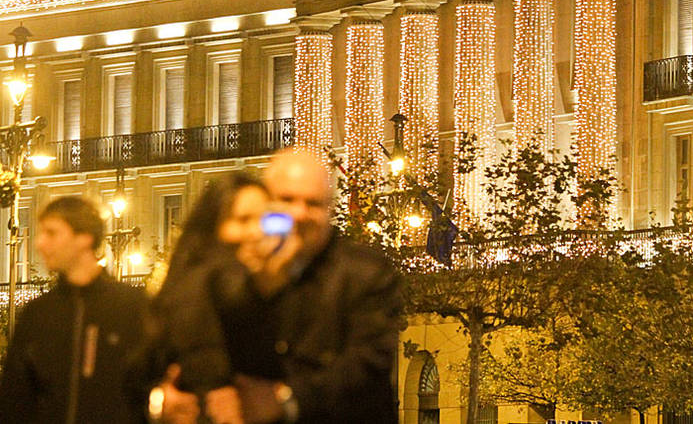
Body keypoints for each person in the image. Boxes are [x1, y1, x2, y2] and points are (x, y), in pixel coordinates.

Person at [161, 149, 403, 424]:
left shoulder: (366, 273)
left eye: (312, 204)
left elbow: (366, 366)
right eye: (286, 200)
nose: (299, 214)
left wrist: (287, 399)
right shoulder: (229, 273)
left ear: (328, 209)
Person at [140, 172, 274, 424]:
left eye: (265, 220)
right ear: (215, 224)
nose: (256, 231)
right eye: (243, 219)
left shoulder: (278, 285)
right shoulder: (198, 292)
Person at [0, 195, 148, 424]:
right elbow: (16, 399)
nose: (40, 243)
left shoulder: (133, 306)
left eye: (51, 233)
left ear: (84, 237)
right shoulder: (37, 313)